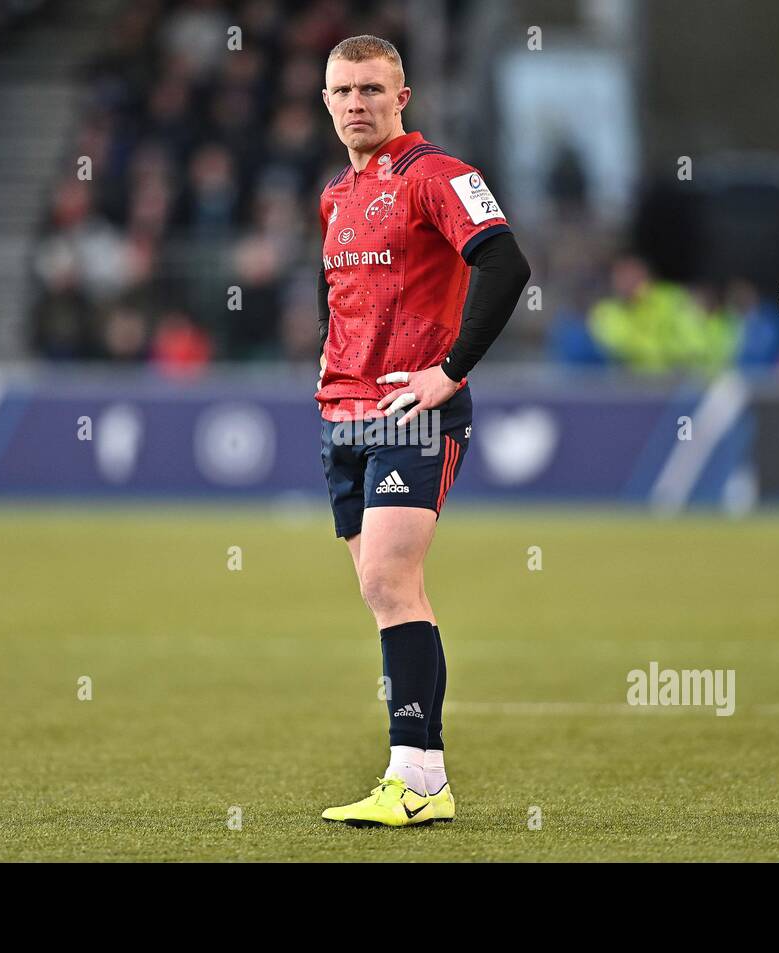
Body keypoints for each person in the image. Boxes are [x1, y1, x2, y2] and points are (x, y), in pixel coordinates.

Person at [314, 35, 531, 827]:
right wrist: (328, 370)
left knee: (388, 582)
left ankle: (418, 774)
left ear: (402, 97)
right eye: (342, 91)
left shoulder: (438, 175)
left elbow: (505, 264)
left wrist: (452, 368)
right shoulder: (337, 193)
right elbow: (336, 291)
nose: (356, 104)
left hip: (413, 409)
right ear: (327, 100)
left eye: (371, 89)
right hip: (344, 414)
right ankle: (420, 773)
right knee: (385, 596)